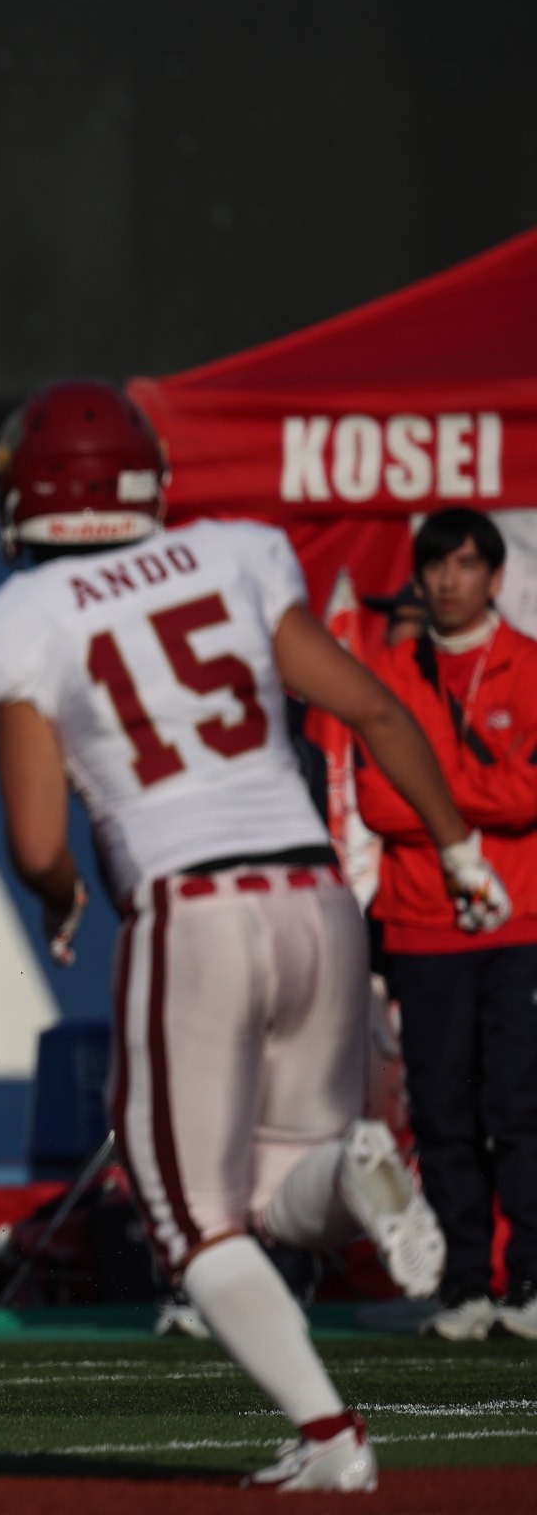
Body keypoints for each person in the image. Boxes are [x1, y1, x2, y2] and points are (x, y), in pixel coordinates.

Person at [0, 379, 503, 1491]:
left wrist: (58, 896)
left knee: (192, 1218)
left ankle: (334, 1438)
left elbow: (37, 835)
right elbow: (376, 711)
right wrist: (458, 849)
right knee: (277, 1187)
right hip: (314, 896)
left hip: (192, 908)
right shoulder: (234, 555)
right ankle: (358, 1180)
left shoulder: (12, 626)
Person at [353, 508, 537, 1341]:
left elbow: (533, 796)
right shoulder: (386, 672)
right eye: (435, 566)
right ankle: (465, 1287)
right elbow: (377, 800)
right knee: (442, 1113)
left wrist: (435, 785)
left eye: (466, 564)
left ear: (496, 576)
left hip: (520, 923)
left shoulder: (529, 669)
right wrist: (477, 787)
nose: (448, 580)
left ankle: (529, 1285)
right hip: (421, 924)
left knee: (518, 1107)